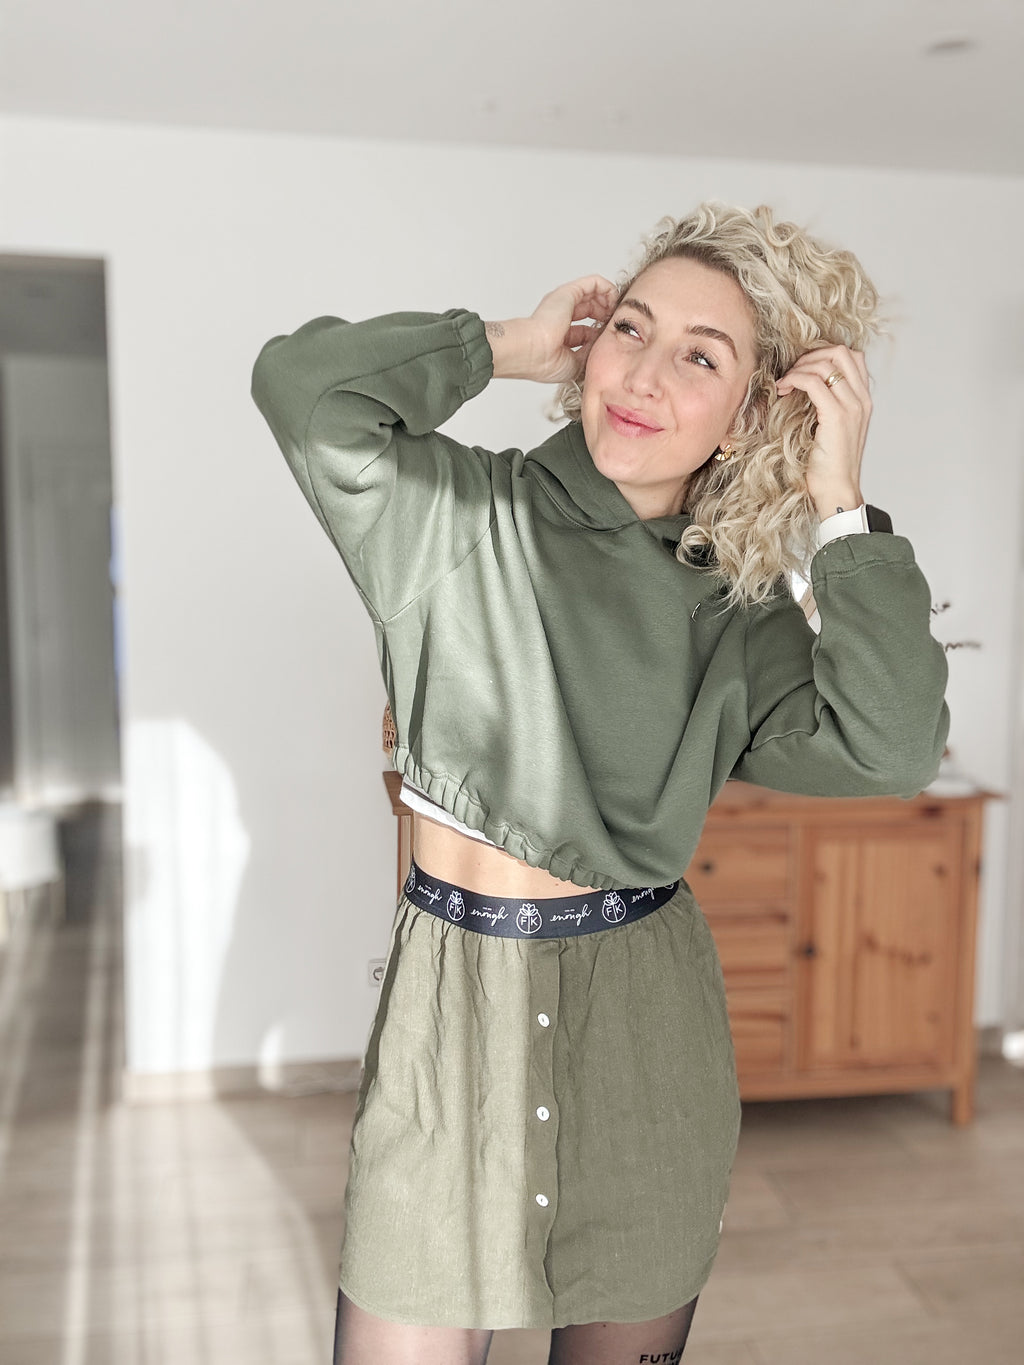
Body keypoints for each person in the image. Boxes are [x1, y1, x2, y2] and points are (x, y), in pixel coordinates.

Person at [252, 202, 949, 1365]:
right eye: (631, 328)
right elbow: (302, 388)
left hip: (645, 1031)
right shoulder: (452, 514)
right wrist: (510, 345)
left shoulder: (740, 613)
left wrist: (840, 505)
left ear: (752, 410)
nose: (643, 373)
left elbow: (893, 747)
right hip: (452, 1019)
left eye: (701, 356)